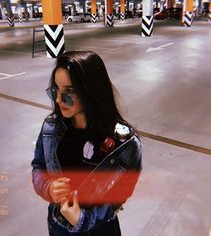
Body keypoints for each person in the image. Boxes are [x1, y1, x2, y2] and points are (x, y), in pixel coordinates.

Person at [31, 51, 143, 236]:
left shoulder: (124, 144)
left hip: (100, 230)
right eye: (55, 90)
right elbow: (38, 167)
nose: (58, 100)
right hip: (58, 227)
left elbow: (121, 193)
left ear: (91, 91)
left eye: (69, 92)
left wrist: (83, 219)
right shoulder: (51, 128)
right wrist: (48, 187)